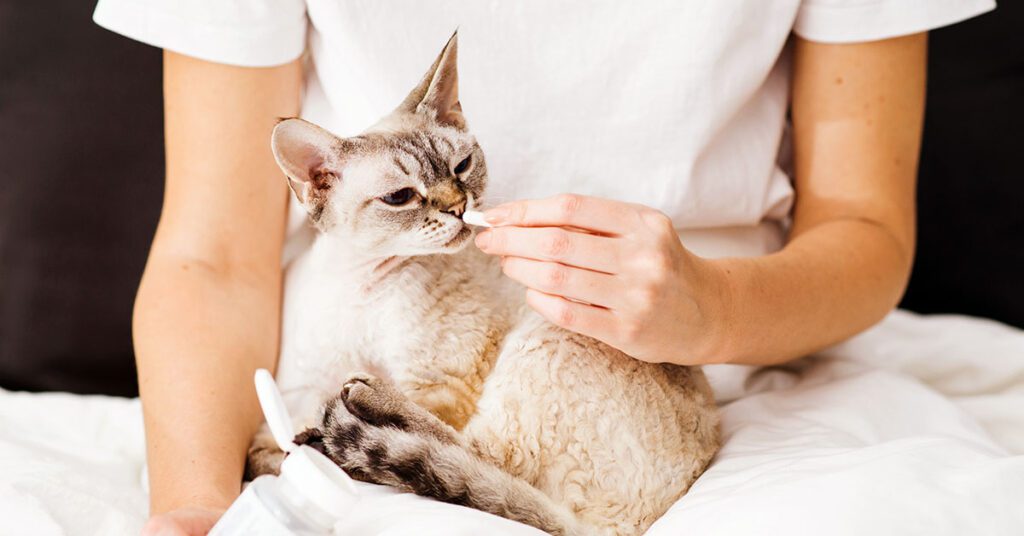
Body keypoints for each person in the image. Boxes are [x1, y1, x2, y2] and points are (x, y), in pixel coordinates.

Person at [91, 1, 995, 534]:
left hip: (735, 379)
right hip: (326, 385)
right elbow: (210, 253)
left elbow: (868, 228)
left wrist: (711, 308)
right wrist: (193, 510)